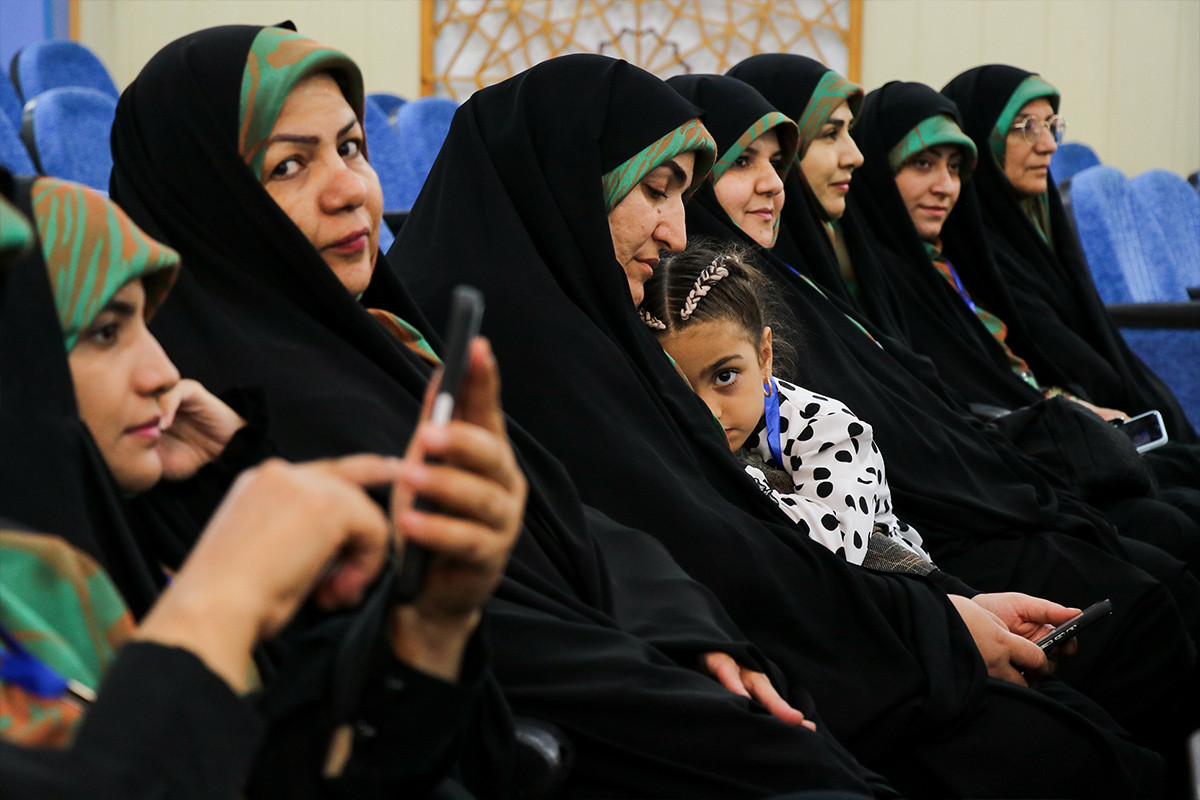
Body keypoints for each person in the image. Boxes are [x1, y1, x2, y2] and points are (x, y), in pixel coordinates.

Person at [108, 25, 908, 798]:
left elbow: (566, 519)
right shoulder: (218, 407)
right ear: (207, 193)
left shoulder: (379, 340)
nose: (352, 187)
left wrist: (689, 627)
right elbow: (477, 623)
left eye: (351, 147)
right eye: (290, 165)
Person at [389, 49, 1169, 797]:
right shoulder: (517, 358)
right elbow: (711, 558)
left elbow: (745, 528)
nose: (676, 233)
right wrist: (936, 626)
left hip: (828, 642)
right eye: (656, 189)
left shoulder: (593, 325)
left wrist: (945, 605)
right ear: (565, 187)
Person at [0, 172, 505, 797]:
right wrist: (224, 598)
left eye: (353, 147)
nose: (162, 373)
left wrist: (433, 625)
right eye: (106, 332)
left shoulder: (137, 544)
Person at [844, 80, 1200, 576]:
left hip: (1038, 450)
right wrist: (1067, 418)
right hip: (986, 487)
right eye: (922, 163)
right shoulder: (887, 278)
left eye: (955, 168)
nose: (946, 186)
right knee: (1169, 530)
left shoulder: (946, 258)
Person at [940, 65, 1200, 490]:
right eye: (1027, 127)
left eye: (1052, 126)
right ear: (982, 142)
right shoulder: (965, 254)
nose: (1048, 145)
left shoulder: (1040, 229)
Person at [641, 240, 931, 567]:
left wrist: (734, 474)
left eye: (725, 376)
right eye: (678, 386)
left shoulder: (827, 427)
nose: (708, 410)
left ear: (764, 355)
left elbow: (836, 546)